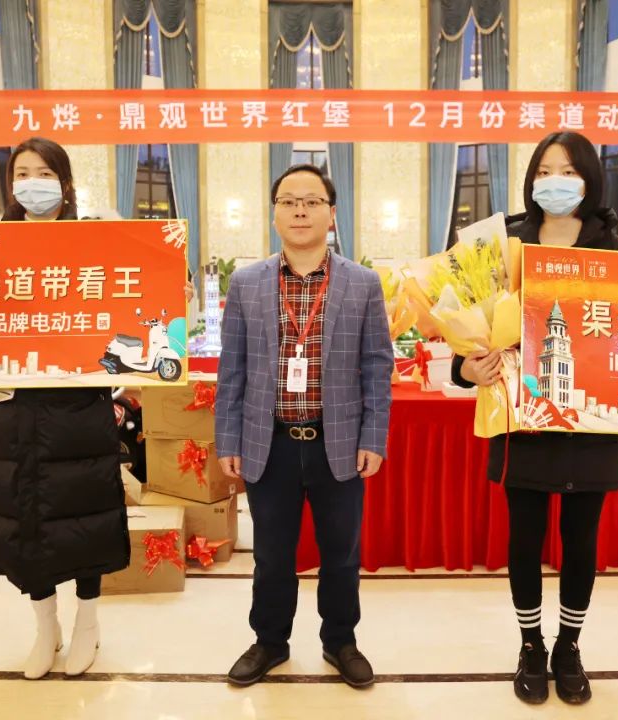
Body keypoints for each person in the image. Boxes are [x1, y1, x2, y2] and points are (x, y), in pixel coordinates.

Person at [451, 132, 618, 705]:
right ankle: (530, 645)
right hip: (523, 420)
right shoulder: (503, 246)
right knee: (524, 538)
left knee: (581, 541)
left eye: (569, 171)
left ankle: (568, 647)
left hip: (593, 425)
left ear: (590, 180)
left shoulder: (617, 251)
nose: (556, 181)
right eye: (545, 171)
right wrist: (466, 368)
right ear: (531, 180)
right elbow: (466, 328)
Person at [0, 137, 192, 680]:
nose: (31, 183)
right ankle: (44, 626)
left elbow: (140, 303)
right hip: (10, 410)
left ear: (65, 182)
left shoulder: (99, 239)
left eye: (44, 173)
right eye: (21, 173)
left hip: (78, 409)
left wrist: (174, 294)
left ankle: (88, 624)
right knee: (25, 518)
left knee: (85, 516)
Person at [215, 163, 394, 688]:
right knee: (271, 556)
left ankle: (341, 641)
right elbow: (232, 369)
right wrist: (227, 438)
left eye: (312, 201)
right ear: (273, 213)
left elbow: (377, 366)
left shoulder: (362, 283)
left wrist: (374, 436)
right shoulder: (247, 283)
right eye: (288, 201)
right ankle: (270, 641)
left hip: (337, 442)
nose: (300, 211)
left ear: (331, 214)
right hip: (267, 442)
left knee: (341, 555)